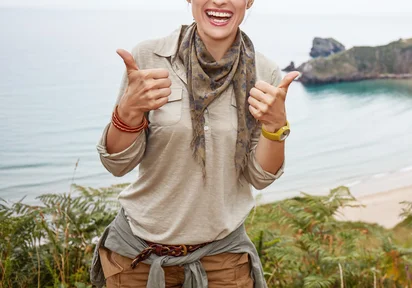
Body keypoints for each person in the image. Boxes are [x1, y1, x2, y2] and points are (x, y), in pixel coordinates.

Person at [90, 0, 299, 287]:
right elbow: (117, 163)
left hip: (223, 260)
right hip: (137, 258)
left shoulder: (266, 74)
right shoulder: (149, 58)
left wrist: (276, 128)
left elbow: (259, 177)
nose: (220, 1)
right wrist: (127, 112)